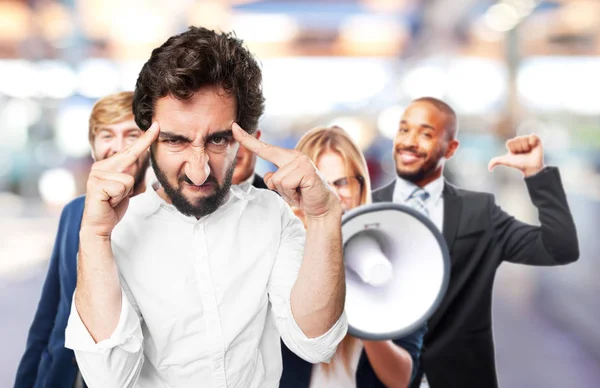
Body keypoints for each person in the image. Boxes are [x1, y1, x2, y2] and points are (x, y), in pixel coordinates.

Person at [64, 26, 348, 387]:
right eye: (176, 141)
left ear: (243, 139)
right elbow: (108, 378)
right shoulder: (118, 229)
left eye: (218, 140)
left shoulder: (270, 215)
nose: (199, 171)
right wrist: (95, 236)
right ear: (146, 139)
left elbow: (316, 343)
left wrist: (324, 217)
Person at [372, 97, 580, 388]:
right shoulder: (366, 210)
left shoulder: (479, 212)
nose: (409, 141)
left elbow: (560, 248)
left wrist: (536, 175)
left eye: (426, 134)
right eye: (404, 130)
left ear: (451, 148)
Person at [14, 91, 150, 388]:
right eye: (106, 136)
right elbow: (50, 312)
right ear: (93, 147)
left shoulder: (163, 217)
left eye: (131, 135)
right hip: (64, 375)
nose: (118, 148)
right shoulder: (75, 211)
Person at [281, 125, 426, 388]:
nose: (332, 195)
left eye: (342, 182)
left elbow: (402, 379)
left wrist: (367, 312)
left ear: (361, 185)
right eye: (319, 184)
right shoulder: (280, 258)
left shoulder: (393, 260)